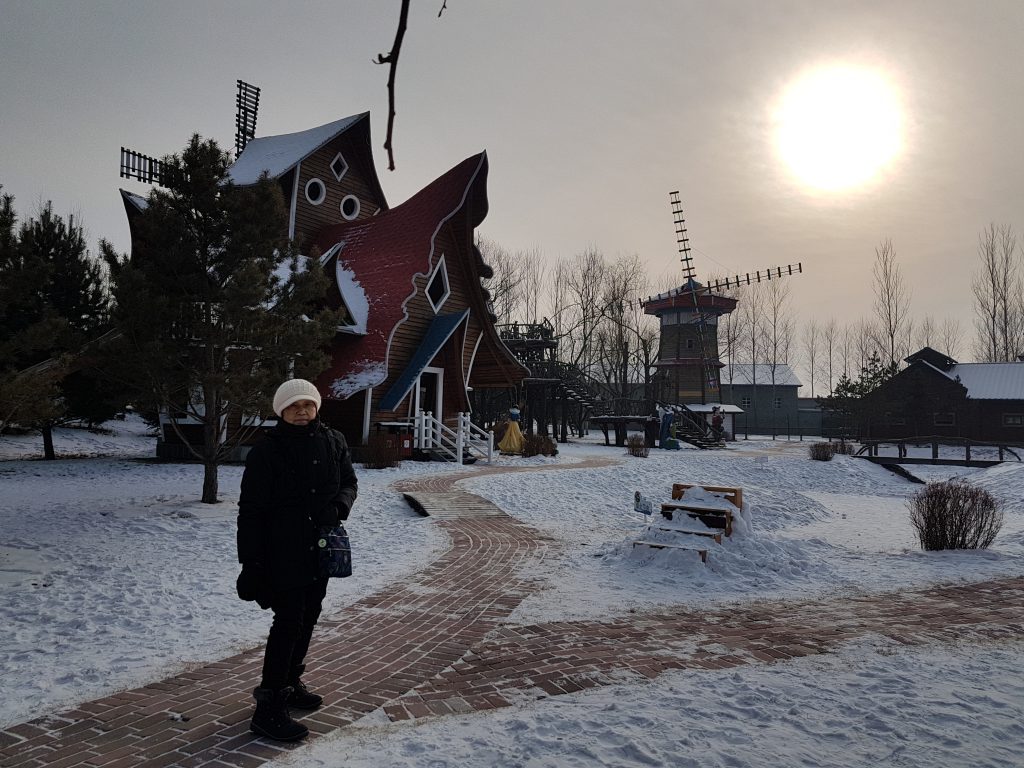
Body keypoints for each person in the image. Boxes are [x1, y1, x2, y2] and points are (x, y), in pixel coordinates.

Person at [236, 378, 358, 741]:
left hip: (319, 545)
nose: (302, 411)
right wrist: (252, 564)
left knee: (309, 615)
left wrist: (339, 506)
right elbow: (251, 511)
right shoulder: (266, 452)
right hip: (282, 549)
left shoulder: (333, 441)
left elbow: (349, 482)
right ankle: (268, 706)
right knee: (288, 621)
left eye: (307, 405)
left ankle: (290, 683)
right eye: (293, 406)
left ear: (317, 407)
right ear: (281, 412)